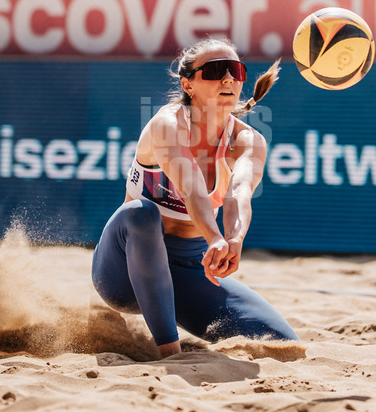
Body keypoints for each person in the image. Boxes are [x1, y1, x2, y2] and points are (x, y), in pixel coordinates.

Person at [91, 38, 299, 358]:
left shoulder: (248, 140)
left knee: (282, 344)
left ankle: (174, 318)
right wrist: (215, 237)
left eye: (235, 71)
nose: (228, 79)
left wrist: (234, 238)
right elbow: (192, 189)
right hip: (122, 270)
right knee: (140, 213)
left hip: (190, 266)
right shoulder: (167, 124)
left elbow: (239, 195)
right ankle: (169, 352)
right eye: (215, 71)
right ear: (188, 84)